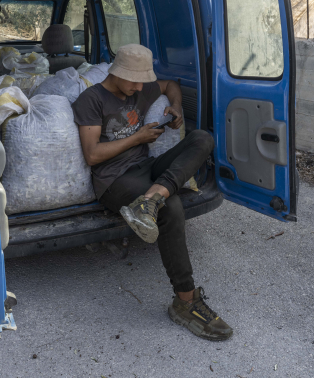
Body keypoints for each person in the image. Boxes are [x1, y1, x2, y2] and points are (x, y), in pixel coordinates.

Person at [72, 44, 233, 341]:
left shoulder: (138, 89)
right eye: (132, 80)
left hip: (147, 168)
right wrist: (137, 137)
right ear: (116, 72)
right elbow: (93, 155)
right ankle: (185, 301)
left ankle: (152, 197)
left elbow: (171, 84)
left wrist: (175, 107)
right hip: (114, 179)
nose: (138, 87)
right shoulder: (91, 99)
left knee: (202, 138)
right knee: (170, 208)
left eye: (141, 81)